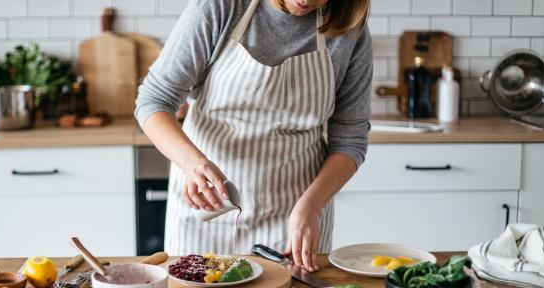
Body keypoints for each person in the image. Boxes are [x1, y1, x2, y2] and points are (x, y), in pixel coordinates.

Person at [135, 0, 372, 272]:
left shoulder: (347, 30)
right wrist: (192, 163)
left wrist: (312, 206)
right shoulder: (220, 8)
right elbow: (153, 101)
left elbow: (350, 140)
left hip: (294, 215)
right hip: (209, 207)